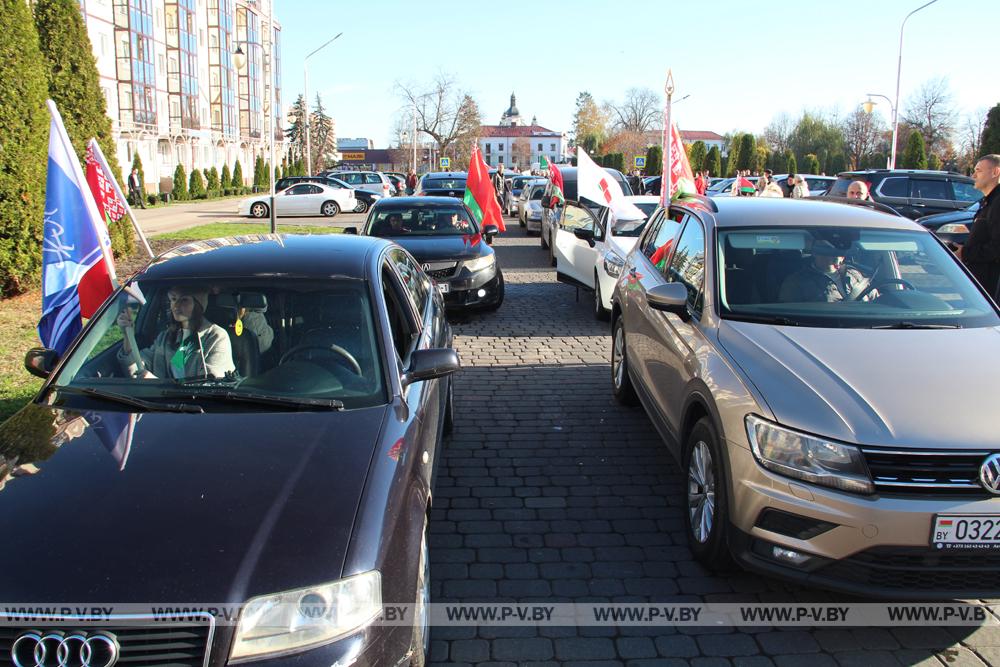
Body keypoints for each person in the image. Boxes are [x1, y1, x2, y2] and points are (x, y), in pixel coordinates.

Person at [117, 286, 235, 379]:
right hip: (159, 406)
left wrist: (156, 384)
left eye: (184, 300)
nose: (176, 306)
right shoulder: (166, 337)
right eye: (173, 299)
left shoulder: (216, 336)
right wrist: (127, 334)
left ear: (199, 304)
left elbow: (210, 385)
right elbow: (137, 367)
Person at [956, 154, 1000, 297]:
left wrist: (965, 253)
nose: (973, 175)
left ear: (996, 172)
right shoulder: (988, 202)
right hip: (981, 287)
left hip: (991, 292)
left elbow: (997, 247)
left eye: (979, 170)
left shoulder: (998, 203)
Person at [779, 240, 874, 302]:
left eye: (840, 253)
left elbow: (874, 298)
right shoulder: (797, 281)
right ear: (816, 253)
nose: (837, 258)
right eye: (830, 253)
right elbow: (789, 314)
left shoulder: (854, 273)